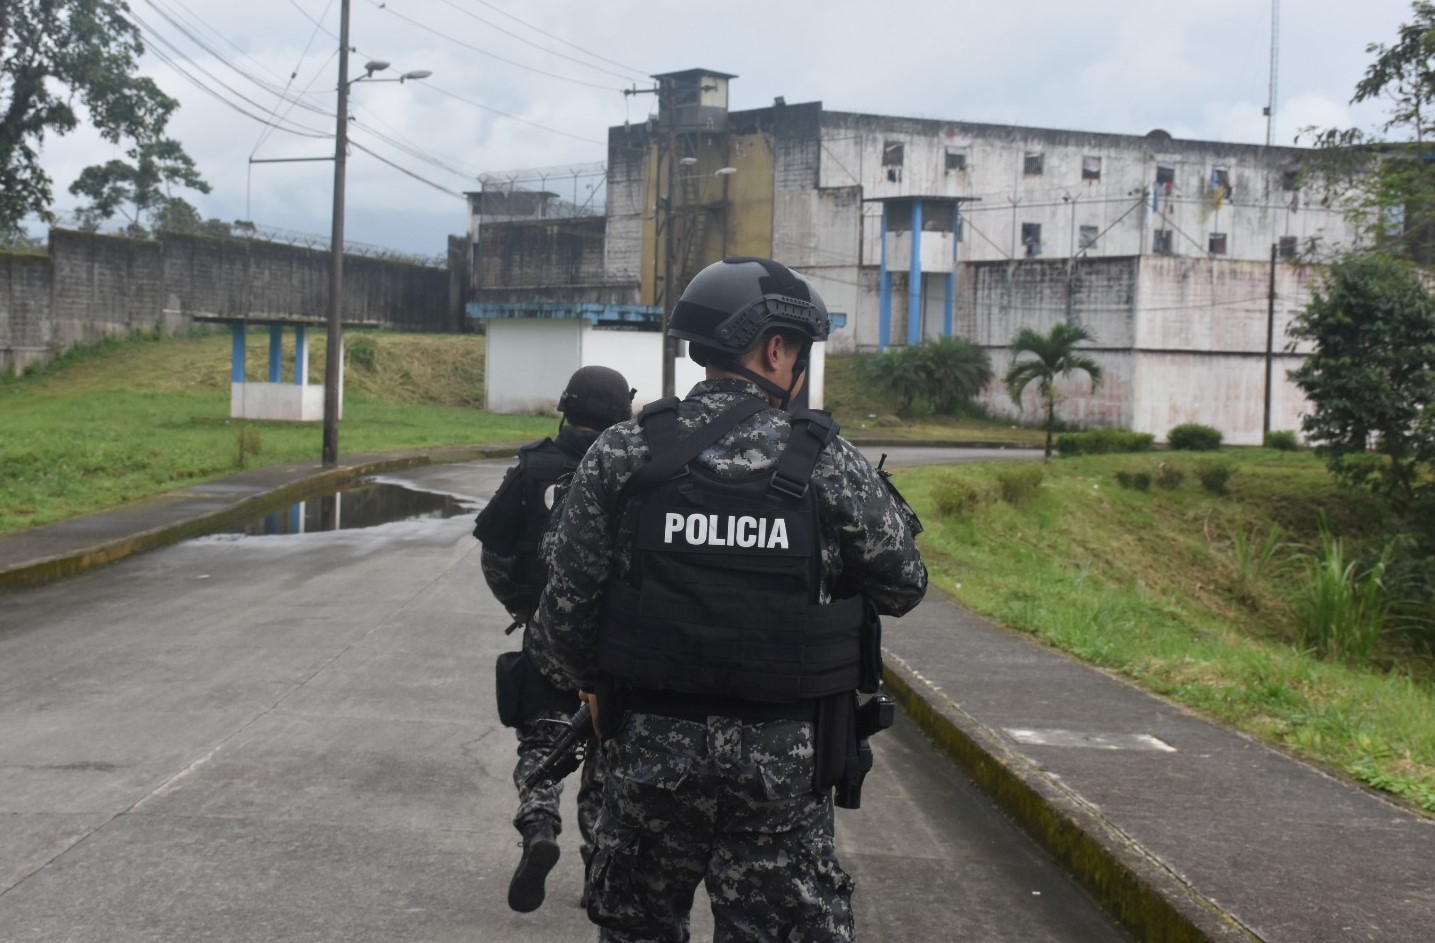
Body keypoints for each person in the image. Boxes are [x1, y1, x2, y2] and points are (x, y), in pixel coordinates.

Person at [529, 256, 928, 942]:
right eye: (797, 352)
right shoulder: (827, 461)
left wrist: (592, 687)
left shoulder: (623, 453)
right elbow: (902, 584)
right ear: (776, 348)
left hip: (647, 752)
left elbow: (562, 611)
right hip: (781, 765)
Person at [473, 364, 635, 914]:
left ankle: (540, 826)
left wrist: (523, 607)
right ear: (621, 414)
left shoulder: (533, 467)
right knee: (607, 759)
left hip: (548, 638)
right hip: (615, 648)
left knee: (542, 745)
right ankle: (599, 871)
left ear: (565, 408)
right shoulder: (632, 472)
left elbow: (494, 553)